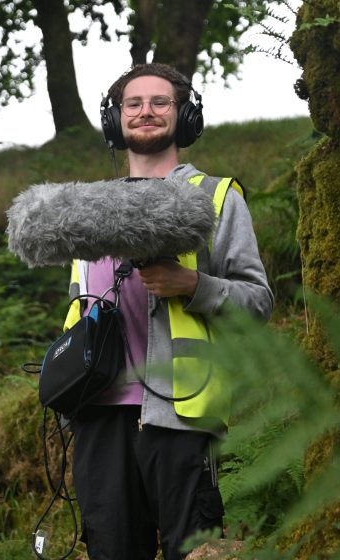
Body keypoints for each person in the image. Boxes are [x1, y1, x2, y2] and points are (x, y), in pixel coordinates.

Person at [65, 63, 274, 559]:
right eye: (133, 104)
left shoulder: (216, 197)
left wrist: (192, 285)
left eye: (161, 102)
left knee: (192, 551)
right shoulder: (85, 209)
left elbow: (258, 301)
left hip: (180, 414)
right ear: (115, 119)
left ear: (185, 115)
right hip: (97, 413)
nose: (146, 112)